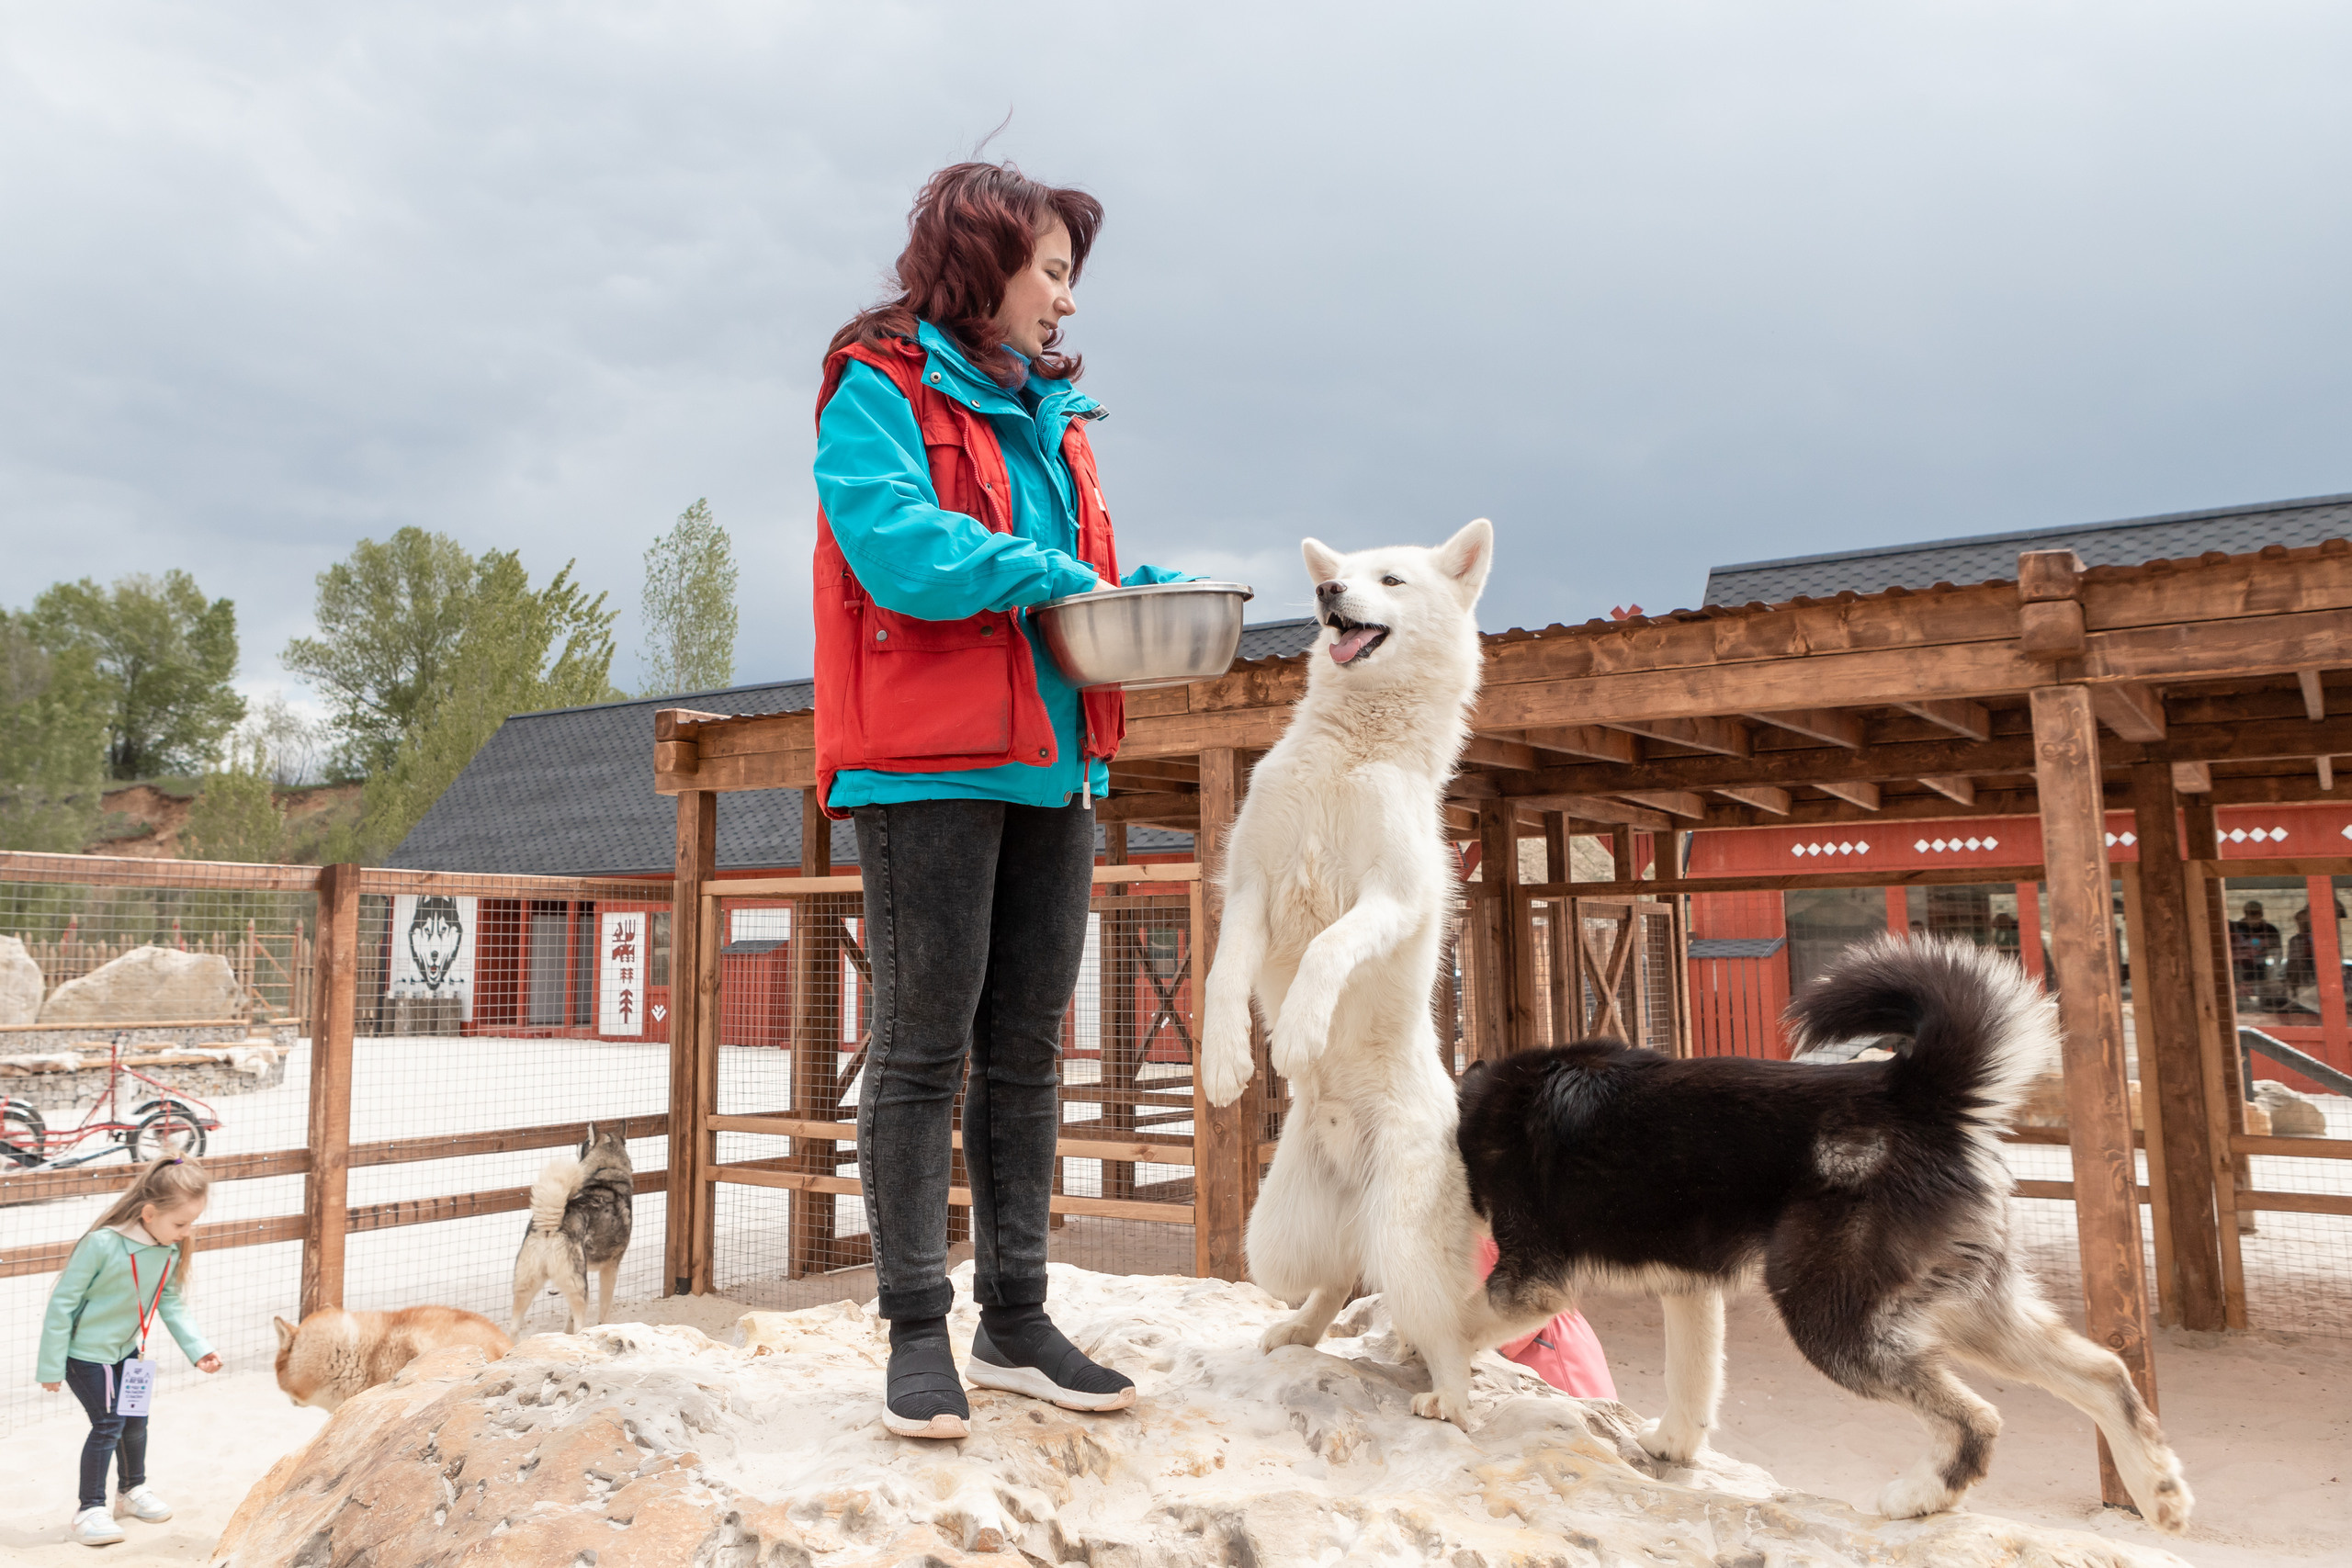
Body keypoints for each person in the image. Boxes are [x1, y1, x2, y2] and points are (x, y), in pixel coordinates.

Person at [812, 162, 1197, 1438]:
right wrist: (1043, 571)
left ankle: (1016, 1315)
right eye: (1052, 272)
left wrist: (1138, 586)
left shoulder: (1056, 422)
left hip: (1054, 765)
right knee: (923, 1046)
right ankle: (915, 1326)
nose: (1065, 304)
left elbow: (1073, 578)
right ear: (984, 263)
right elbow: (898, 547)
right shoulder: (876, 390)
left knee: (1028, 1046)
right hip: (928, 766)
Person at [38, 1156, 220, 1547]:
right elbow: (62, 1305)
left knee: (135, 1422)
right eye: (180, 1224)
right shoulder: (102, 1243)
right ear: (149, 1213)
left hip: (126, 1353)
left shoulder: (166, 1251)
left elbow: (169, 1301)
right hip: (86, 1355)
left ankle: (131, 1491)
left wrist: (198, 1349)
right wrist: (51, 1366)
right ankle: (89, 1508)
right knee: (108, 1425)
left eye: (192, 1223)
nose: (187, 1233)